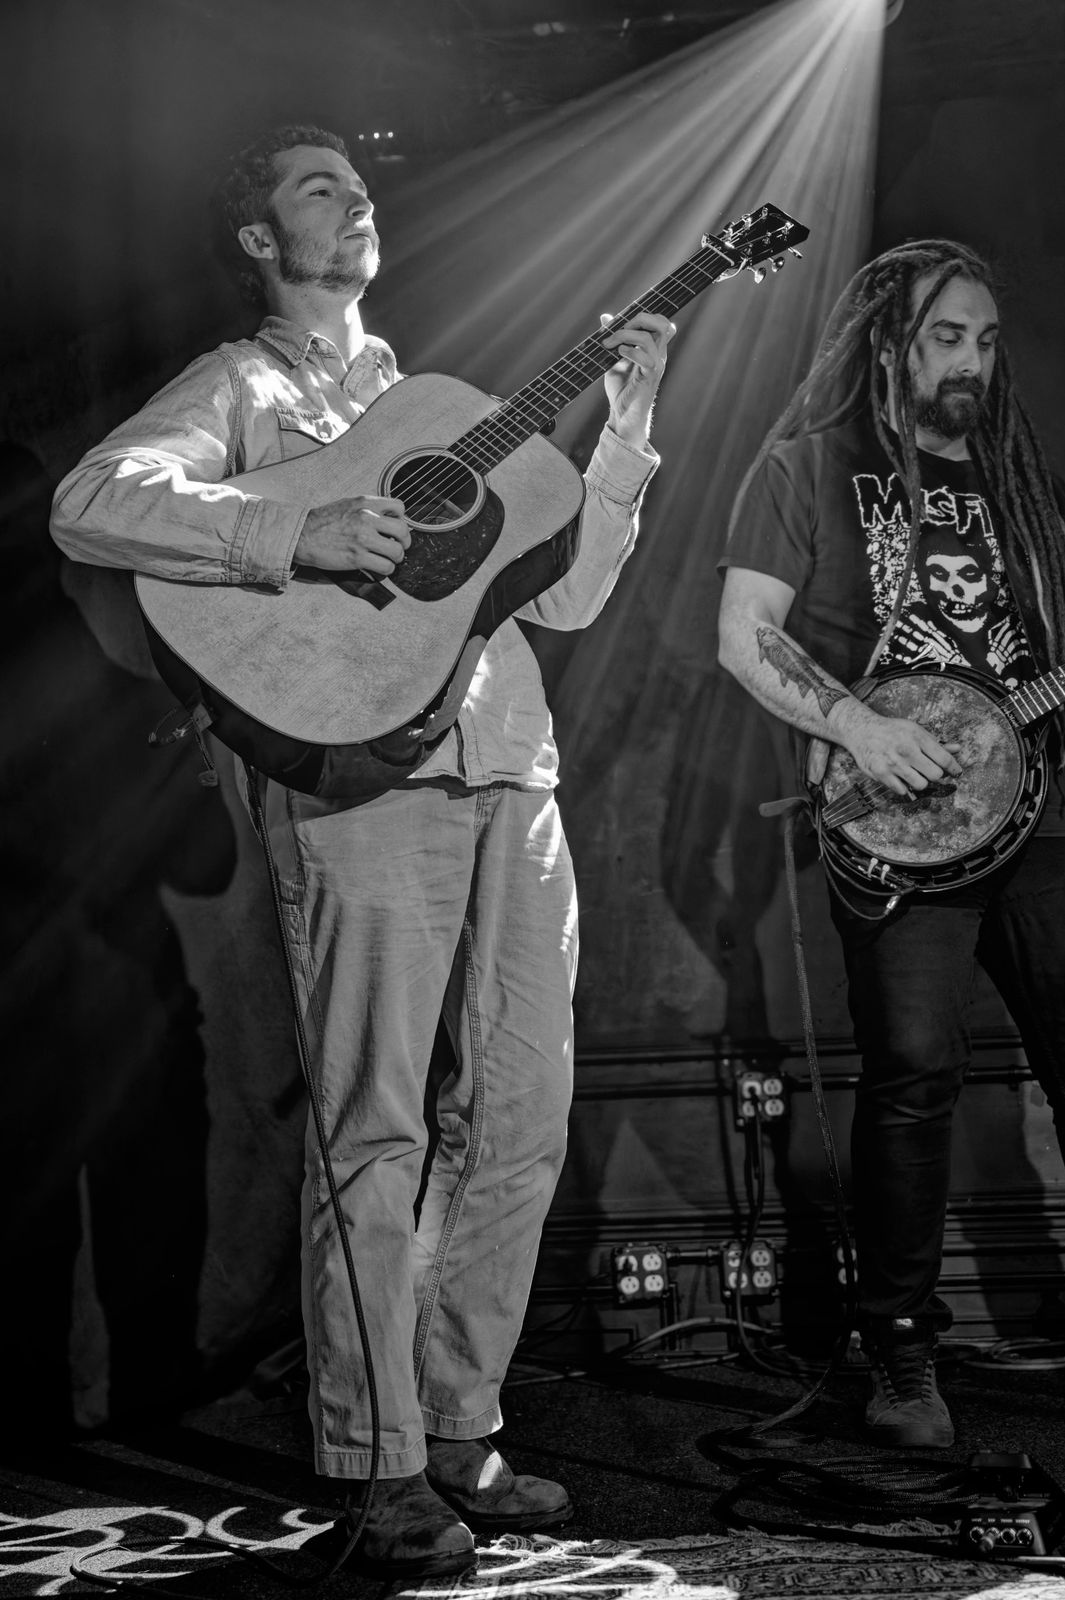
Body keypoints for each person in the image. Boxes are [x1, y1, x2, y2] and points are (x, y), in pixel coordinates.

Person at [50, 124, 674, 1577]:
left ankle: (456, 1425)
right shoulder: (242, 385)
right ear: (260, 237)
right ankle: (378, 1461)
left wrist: (625, 430)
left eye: (359, 185)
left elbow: (567, 600)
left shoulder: (435, 405)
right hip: (353, 775)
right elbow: (93, 501)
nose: (354, 200)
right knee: (375, 1129)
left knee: (520, 1116)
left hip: (510, 762)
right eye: (318, 187)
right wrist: (299, 534)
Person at [718, 239, 1065, 1450]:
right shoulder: (808, 466)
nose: (970, 360)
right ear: (887, 343)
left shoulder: (1021, 485)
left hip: (1042, 814)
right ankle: (901, 1351)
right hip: (897, 830)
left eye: (984, 339)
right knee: (913, 1074)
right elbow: (744, 634)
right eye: (943, 337)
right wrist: (858, 727)